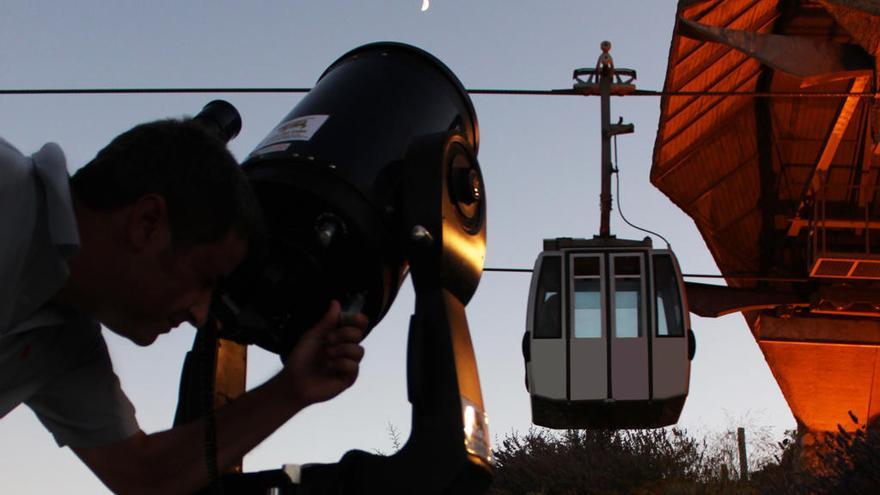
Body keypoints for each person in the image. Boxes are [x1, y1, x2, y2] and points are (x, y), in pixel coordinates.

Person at [0, 118, 368, 494]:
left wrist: (291, 389)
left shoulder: (65, 342)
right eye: (204, 278)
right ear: (147, 223)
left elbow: (144, 475)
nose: (201, 315)